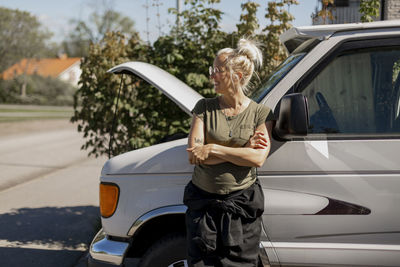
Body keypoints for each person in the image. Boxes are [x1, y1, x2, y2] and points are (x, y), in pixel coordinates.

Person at [184, 38, 274, 267]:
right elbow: (194, 155)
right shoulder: (203, 107)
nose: (212, 75)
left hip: (242, 208)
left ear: (238, 76)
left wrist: (212, 148)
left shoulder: (260, 113)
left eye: (218, 70)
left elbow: (258, 158)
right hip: (203, 208)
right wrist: (242, 150)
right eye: (212, 70)